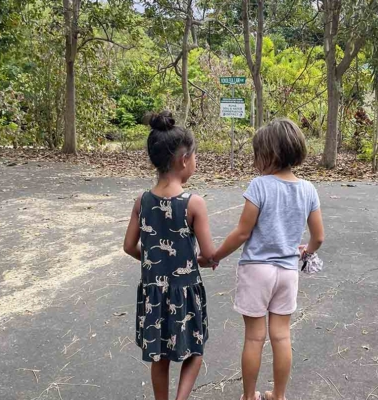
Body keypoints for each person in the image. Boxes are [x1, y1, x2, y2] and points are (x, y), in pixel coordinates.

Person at [206, 118, 325, 400]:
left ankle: (249, 397)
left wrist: (215, 256)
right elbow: (318, 237)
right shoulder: (308, 189)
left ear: (270, 154)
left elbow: (242, 233)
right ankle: (279, 396)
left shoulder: (259, 186)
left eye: (257, 153)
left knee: (254, 338)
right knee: (282, 337)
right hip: (287, 271)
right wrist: (304, 252)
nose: (255, 160)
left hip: (257, 270)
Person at [123, 111, 216, 400]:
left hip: (154, 295)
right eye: (195, 156)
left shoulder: (142, 201)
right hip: (184, 294)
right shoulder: (194, 203)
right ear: (184, 159)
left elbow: (129, 246)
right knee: (195, 349)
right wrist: (204, 260)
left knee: (158, 357)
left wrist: (154, 261)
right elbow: (209, 253)